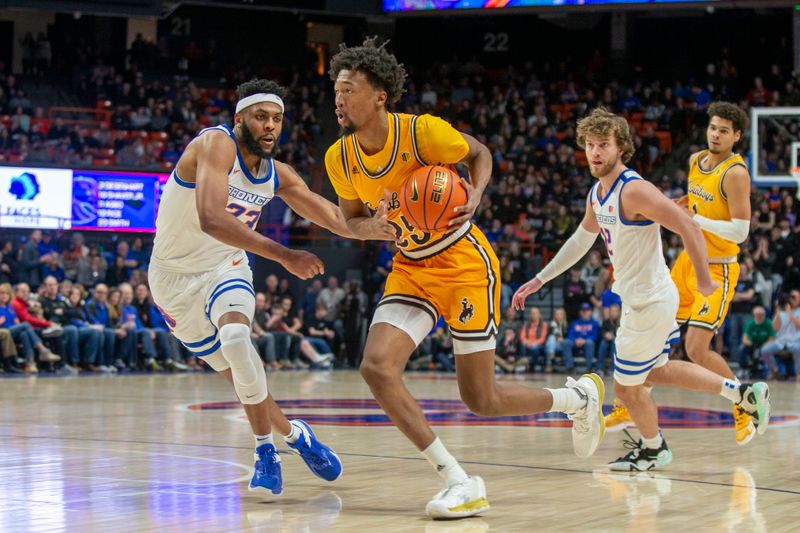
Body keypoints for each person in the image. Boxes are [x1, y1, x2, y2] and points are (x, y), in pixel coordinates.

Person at [325, 37, 604, 519]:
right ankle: (457, 478)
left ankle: (576, 398)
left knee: (481, 398)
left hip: (463, 262)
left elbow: (480, 153)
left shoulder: (423, 134)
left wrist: (474, 194)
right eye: (336, 90)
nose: (339, 98)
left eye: (349, 89)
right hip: (410, 266)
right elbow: (351, 220)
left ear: (379, 97)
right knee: (375, 367)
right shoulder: (340, 158)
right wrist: (379, 226)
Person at [513, 107, 770, 471]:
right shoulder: (597, 193)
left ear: (622, 148)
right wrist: (541, 278)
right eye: (589, 144)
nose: (595, 152)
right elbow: (580, 240)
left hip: (649, 302)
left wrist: (703, 278)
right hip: (649, 297)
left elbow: (690, 227)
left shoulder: (633, 190)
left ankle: (654, 449)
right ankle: (741, 393)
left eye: (604, 144)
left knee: (626, 390)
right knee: (655, 371)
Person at [148, 78, 349, 496]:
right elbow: (212, 218)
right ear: (239, 118)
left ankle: (264, 452)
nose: (270, 126)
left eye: (277, 118)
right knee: (240, 375)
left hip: (226, 265)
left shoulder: (280, 174)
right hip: (172, 281)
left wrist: (389, 229)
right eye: (260, 117)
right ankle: (296, 436)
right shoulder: (214, 145)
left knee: (238, 339)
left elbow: (333, 217)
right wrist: (286, 255)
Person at [605, 102, 756, 445]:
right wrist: (678, 206)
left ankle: (743, 403)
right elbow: (696, 200)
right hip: (687, 261)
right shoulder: (695, 161)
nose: (715, 134)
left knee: (696, 349)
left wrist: (694, 222)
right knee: (654, 336)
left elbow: (741, 231)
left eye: (723, 131)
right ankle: (628, 401)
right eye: (713, 128)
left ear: (736, 136)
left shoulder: (735, 173)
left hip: (718, 267)